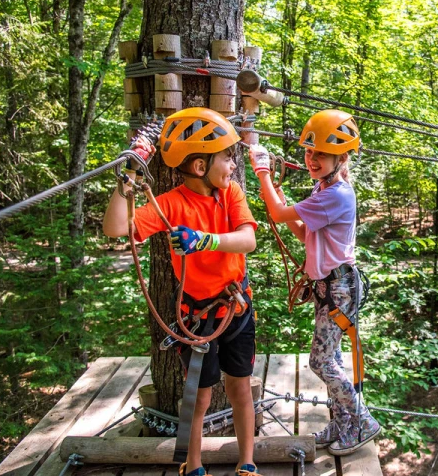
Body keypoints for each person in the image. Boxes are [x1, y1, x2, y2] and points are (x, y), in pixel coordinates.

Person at [103, 108, 260, 476]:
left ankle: (247, 462)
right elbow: (115, 228)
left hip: (236, 309)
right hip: (198, 317)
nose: (233, 167)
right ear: (200, 167)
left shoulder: (230, 193)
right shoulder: (171, 204)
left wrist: (203, 240)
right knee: (200, 396)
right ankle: (193, 465)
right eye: (226, 158)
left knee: (240, 388)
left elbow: (247, 240)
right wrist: (127, 175)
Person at [248, 109, 381, 456]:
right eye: (309, 152)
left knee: (320, 363)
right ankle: (342, 425)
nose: (312, 159)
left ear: (340, 158)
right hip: (330, 289)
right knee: (332, 358)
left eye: (320, 154)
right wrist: (277, 192)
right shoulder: (325, 187)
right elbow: (304, 232)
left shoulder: (336, 195)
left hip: (339, 290)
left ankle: (362, 421)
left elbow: (278, 214)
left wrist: (263, 173)